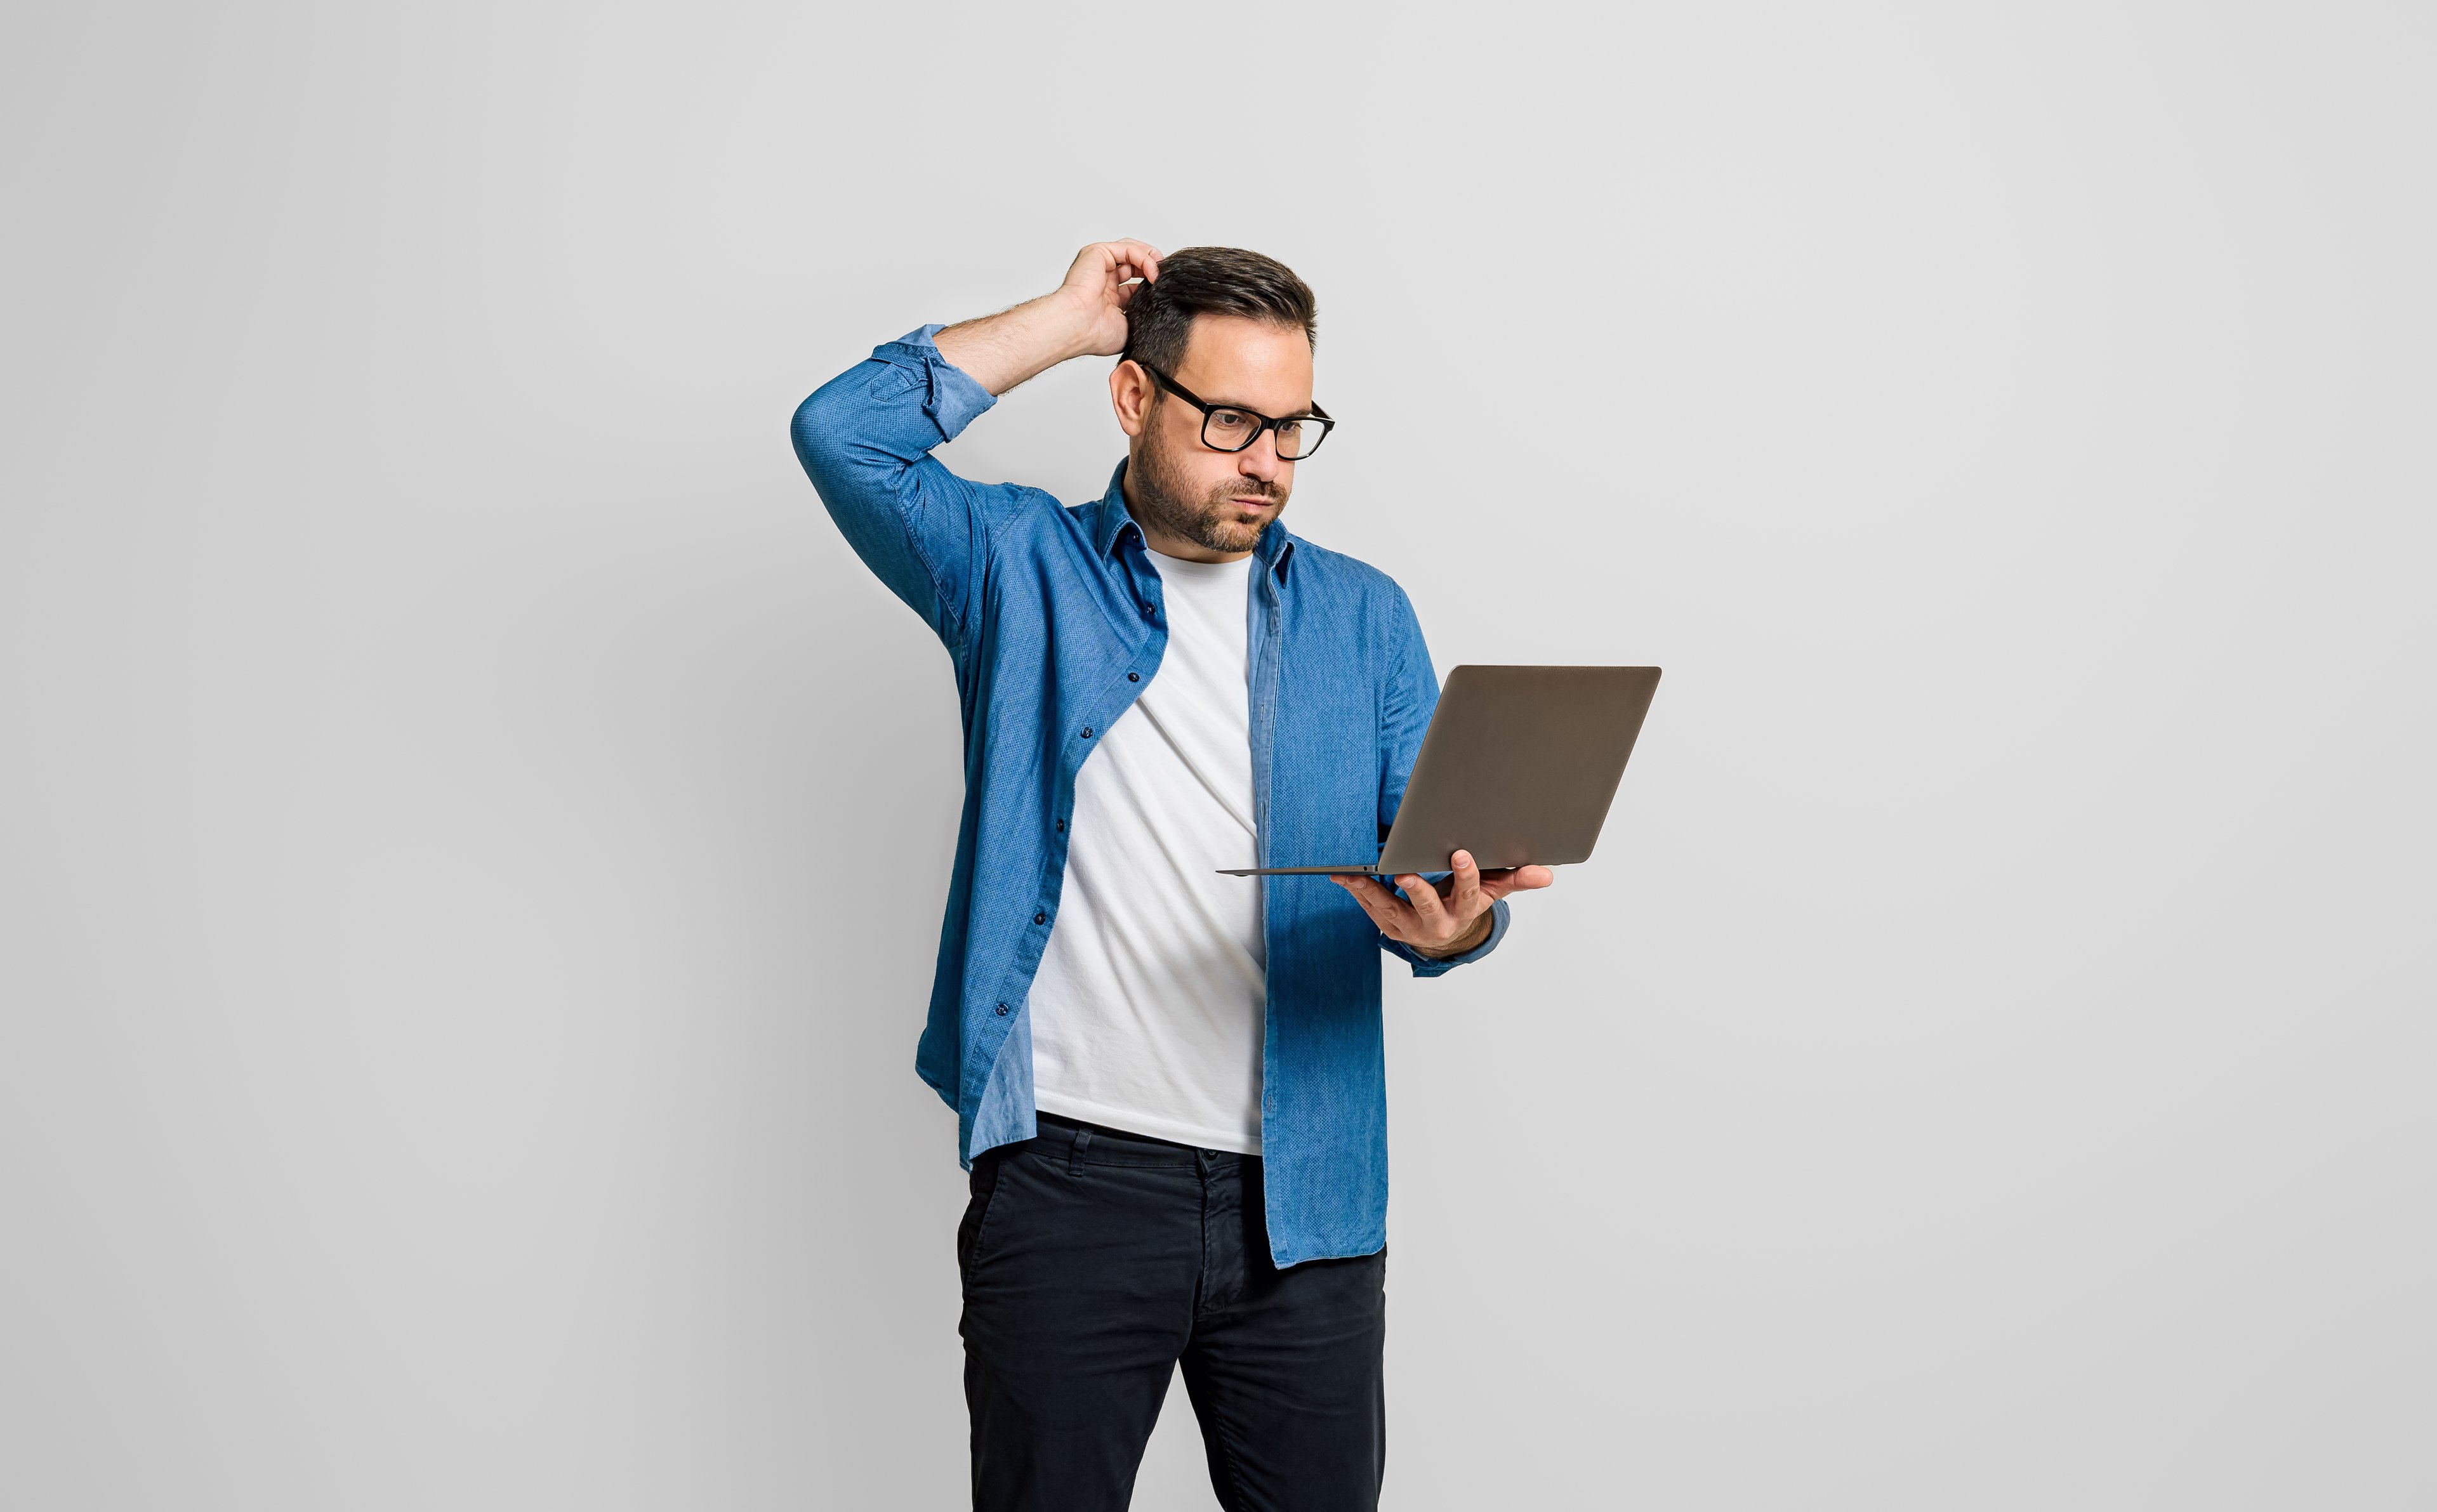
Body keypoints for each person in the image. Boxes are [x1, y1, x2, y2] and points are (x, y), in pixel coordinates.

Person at [790, 242, 1555, 1512]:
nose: (1266, 460)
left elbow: (1438, 881)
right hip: (1072, 1190)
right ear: (1137, 399)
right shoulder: (1015, 568)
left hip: (1308, 1205)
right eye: (1233, 420)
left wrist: (1455, 929)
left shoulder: (1366, 619)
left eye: (1293, 426)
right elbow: (842, 436)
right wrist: (1068, 318)